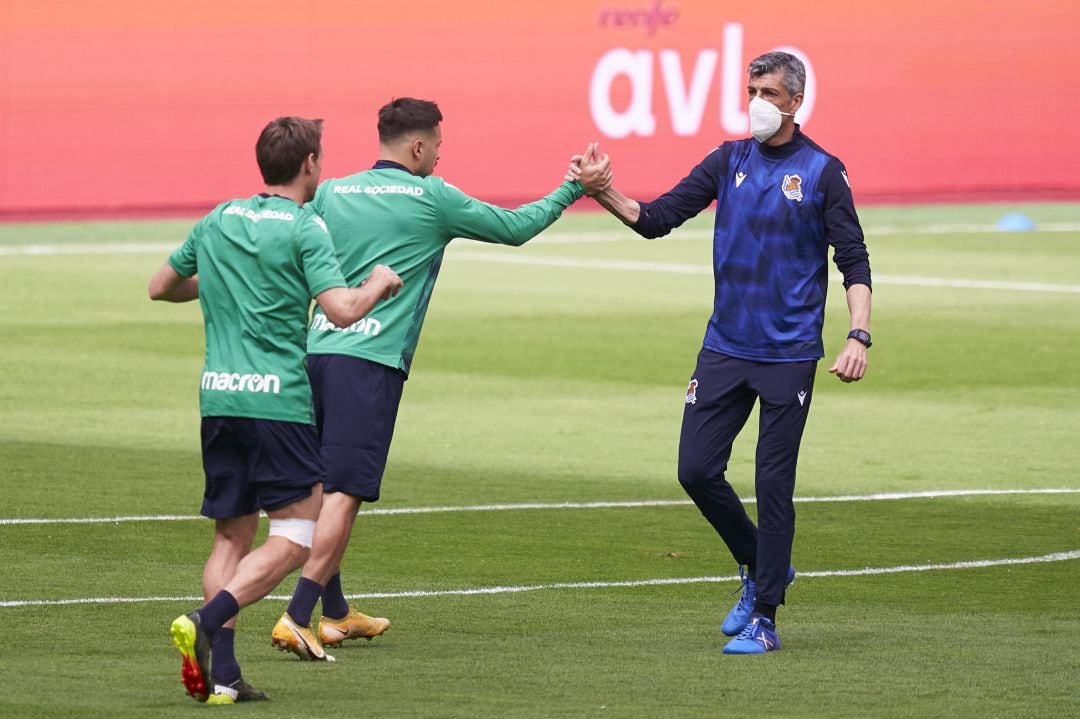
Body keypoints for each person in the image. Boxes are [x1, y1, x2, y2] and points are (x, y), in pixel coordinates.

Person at [269, 97, 612, 660]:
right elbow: (515, 227)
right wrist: (576, 187)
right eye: (439, 146)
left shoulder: (332, 191)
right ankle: (297, 617)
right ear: (420, 146)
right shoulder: (432, 196)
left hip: (315, 354)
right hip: (371, 361)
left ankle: (335, 613)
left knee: (322, 486)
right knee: (345, 493)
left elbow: (293, 254)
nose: (439, 155)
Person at [576, 51, 872, 654]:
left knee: (773, 483)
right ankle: (761, 562)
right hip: (725, 346)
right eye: (750, 90)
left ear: (795, 101)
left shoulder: (822, 172)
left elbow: (855, 261)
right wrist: (604, 191)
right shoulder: (727, 159)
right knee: (695, 468)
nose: (756, 102)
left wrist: (857, 335)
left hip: (788, 354)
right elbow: (655, 217)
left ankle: (765, 616)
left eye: (768, 92)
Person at [149, 116, 403, 702]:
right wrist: (379, 283)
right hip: (277, 404)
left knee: (231, 538)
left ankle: (224, 676)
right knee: (293, 536)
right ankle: (206, 621)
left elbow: (161, 286)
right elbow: (342, 311)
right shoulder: (304, 227)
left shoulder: (218, 218)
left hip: (218, 398)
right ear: (310, 164)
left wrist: (219, 285)